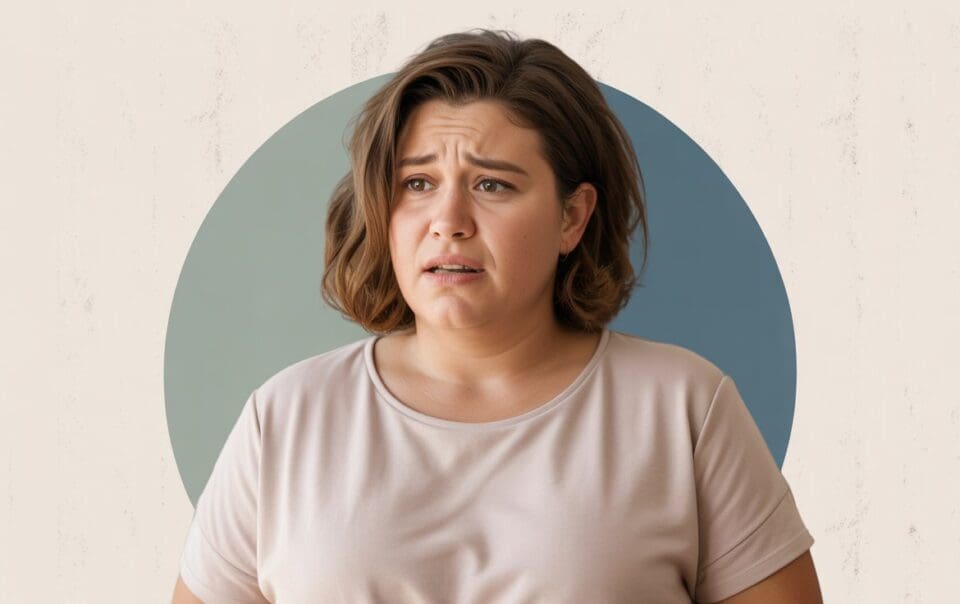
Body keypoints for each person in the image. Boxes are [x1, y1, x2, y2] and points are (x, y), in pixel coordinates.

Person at [172, 29, 823, 603]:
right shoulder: (284, 419)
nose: (448, 223)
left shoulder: (685, 408)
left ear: (572, 217)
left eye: (492, 185)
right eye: (417, 184)